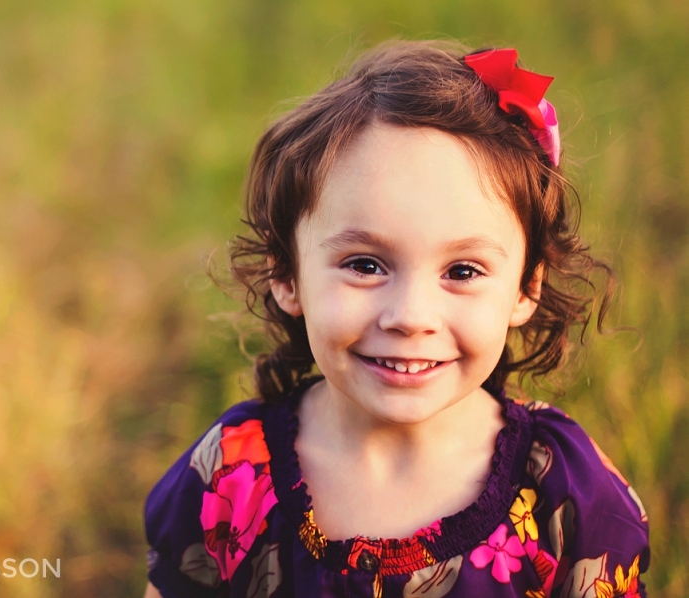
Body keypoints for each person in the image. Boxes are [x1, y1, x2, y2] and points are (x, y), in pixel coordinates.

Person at [142, 41, 650, 598]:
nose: (411, 317)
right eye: (365, 265)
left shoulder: (563, 491)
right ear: (287, 276)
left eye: (462, 270)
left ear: (526, 287)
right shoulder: (228, 477)